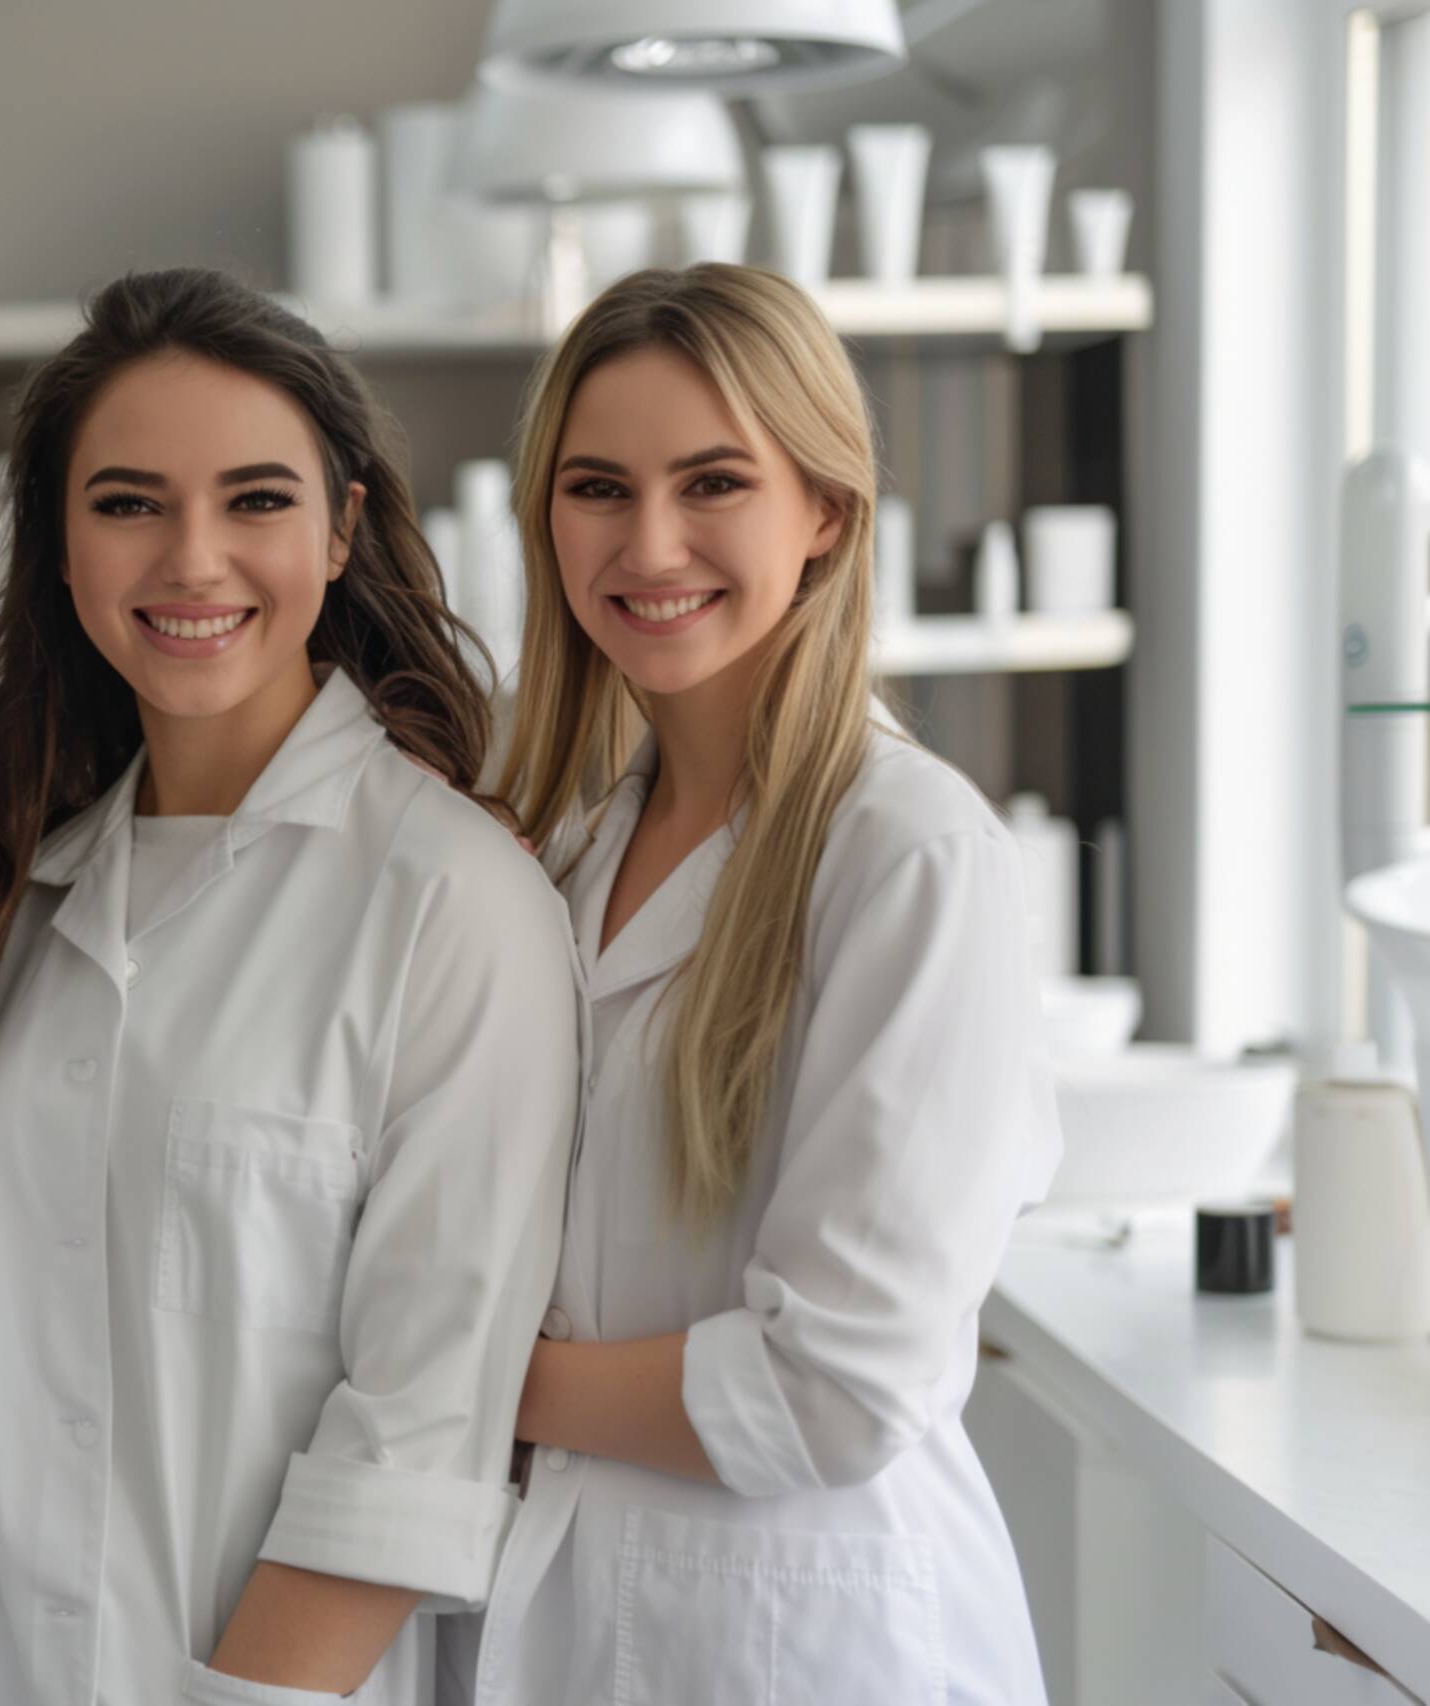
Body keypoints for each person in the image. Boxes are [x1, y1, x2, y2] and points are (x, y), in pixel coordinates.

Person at [0, 267, 580, 1704]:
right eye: (129, 503)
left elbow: (419, 1419)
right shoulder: (11, 905)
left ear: (340, 532)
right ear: (59, 551)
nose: (192, 559)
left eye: (257, 501)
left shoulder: (453, 901)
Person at [453, 263, 1058, 1704]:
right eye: (598, 486)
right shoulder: (583, 845)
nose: (648, 541)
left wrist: (469, 1377)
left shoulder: (909, 855)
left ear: (826, 512)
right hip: (590, 1610)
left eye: (713, 481)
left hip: (821, 1642)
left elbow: (839, 1385)